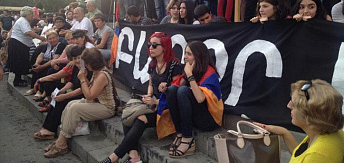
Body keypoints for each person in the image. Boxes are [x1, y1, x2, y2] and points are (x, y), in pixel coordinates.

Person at [99, 32, 182, 163]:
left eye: (154, 45)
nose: (150, 48)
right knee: (128, 114)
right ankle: (133, 155)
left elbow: (176, 95)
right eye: (149, 44)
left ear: (165, 47)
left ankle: (115, 156)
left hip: (168, 109)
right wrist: (149, 95)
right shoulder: (153, 64)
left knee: (139, 118)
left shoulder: (174, 66)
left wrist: (156, 101)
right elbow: (150, 85)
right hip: (153, 104)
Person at [44, 48, 117, 158]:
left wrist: (82, 79)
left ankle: (61, 144)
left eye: (86, 63)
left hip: (106, 107)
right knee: (70, 104)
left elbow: (89, 95)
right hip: (97, 102)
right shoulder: (97, 71)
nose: (85, 65)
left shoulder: (102, 75)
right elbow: (91, 88)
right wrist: (85, 79)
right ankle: (61, 139)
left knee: (75, 109)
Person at [255, 79, 344, 162]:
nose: (288, 105)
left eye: (294, 104)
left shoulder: (317, 156)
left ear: (310, 116)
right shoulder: (328, 133)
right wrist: (284, 133)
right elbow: (302, 158)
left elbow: (310, 158)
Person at [165, 41, 223, 158]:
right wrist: (185, 76)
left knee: (184, 91)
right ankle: (180, 133)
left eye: (189, 54)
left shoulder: (210, 73)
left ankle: (188, 138)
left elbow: (200, 99)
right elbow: (177, 89)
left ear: (198, 56)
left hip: (209, 120)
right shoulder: (191, 69)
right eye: (185, 53)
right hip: (196, 116)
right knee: (171, 90)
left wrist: (189, 75)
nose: (185, 57)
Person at [33, 46, 93, 141]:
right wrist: (61, 91)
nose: (77, 60)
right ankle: (46, 127)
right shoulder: (76, 67)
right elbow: (71, 82)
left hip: (85, 94)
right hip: (75, 91)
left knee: (62, 100)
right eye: (75, 58)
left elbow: (83, 89)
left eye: (79, 58)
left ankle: (50, 129)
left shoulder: (88, 69)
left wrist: (64, 95)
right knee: (57, 96)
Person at [7, 6, 46, 87]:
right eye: (32, 14)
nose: (33, 16)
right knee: (19, 62)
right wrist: (40, 37)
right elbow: (28, 32)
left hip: (20, 44)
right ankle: (17, 80)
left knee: (20, 62)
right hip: (18, 44)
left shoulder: (22, 21)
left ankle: (18, 78)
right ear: (27, 14)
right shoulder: (23, 21)